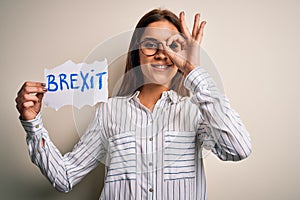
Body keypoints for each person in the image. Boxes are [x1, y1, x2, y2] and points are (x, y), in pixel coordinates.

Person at [15, 9, 252, 200]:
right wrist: (32, 123)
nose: (162, 53)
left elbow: (238, 148)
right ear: (137, 53)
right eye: (151, 44)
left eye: (173, 46)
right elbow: (64, 178)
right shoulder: (109, 112)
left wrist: (193, 71)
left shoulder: (196, 111)